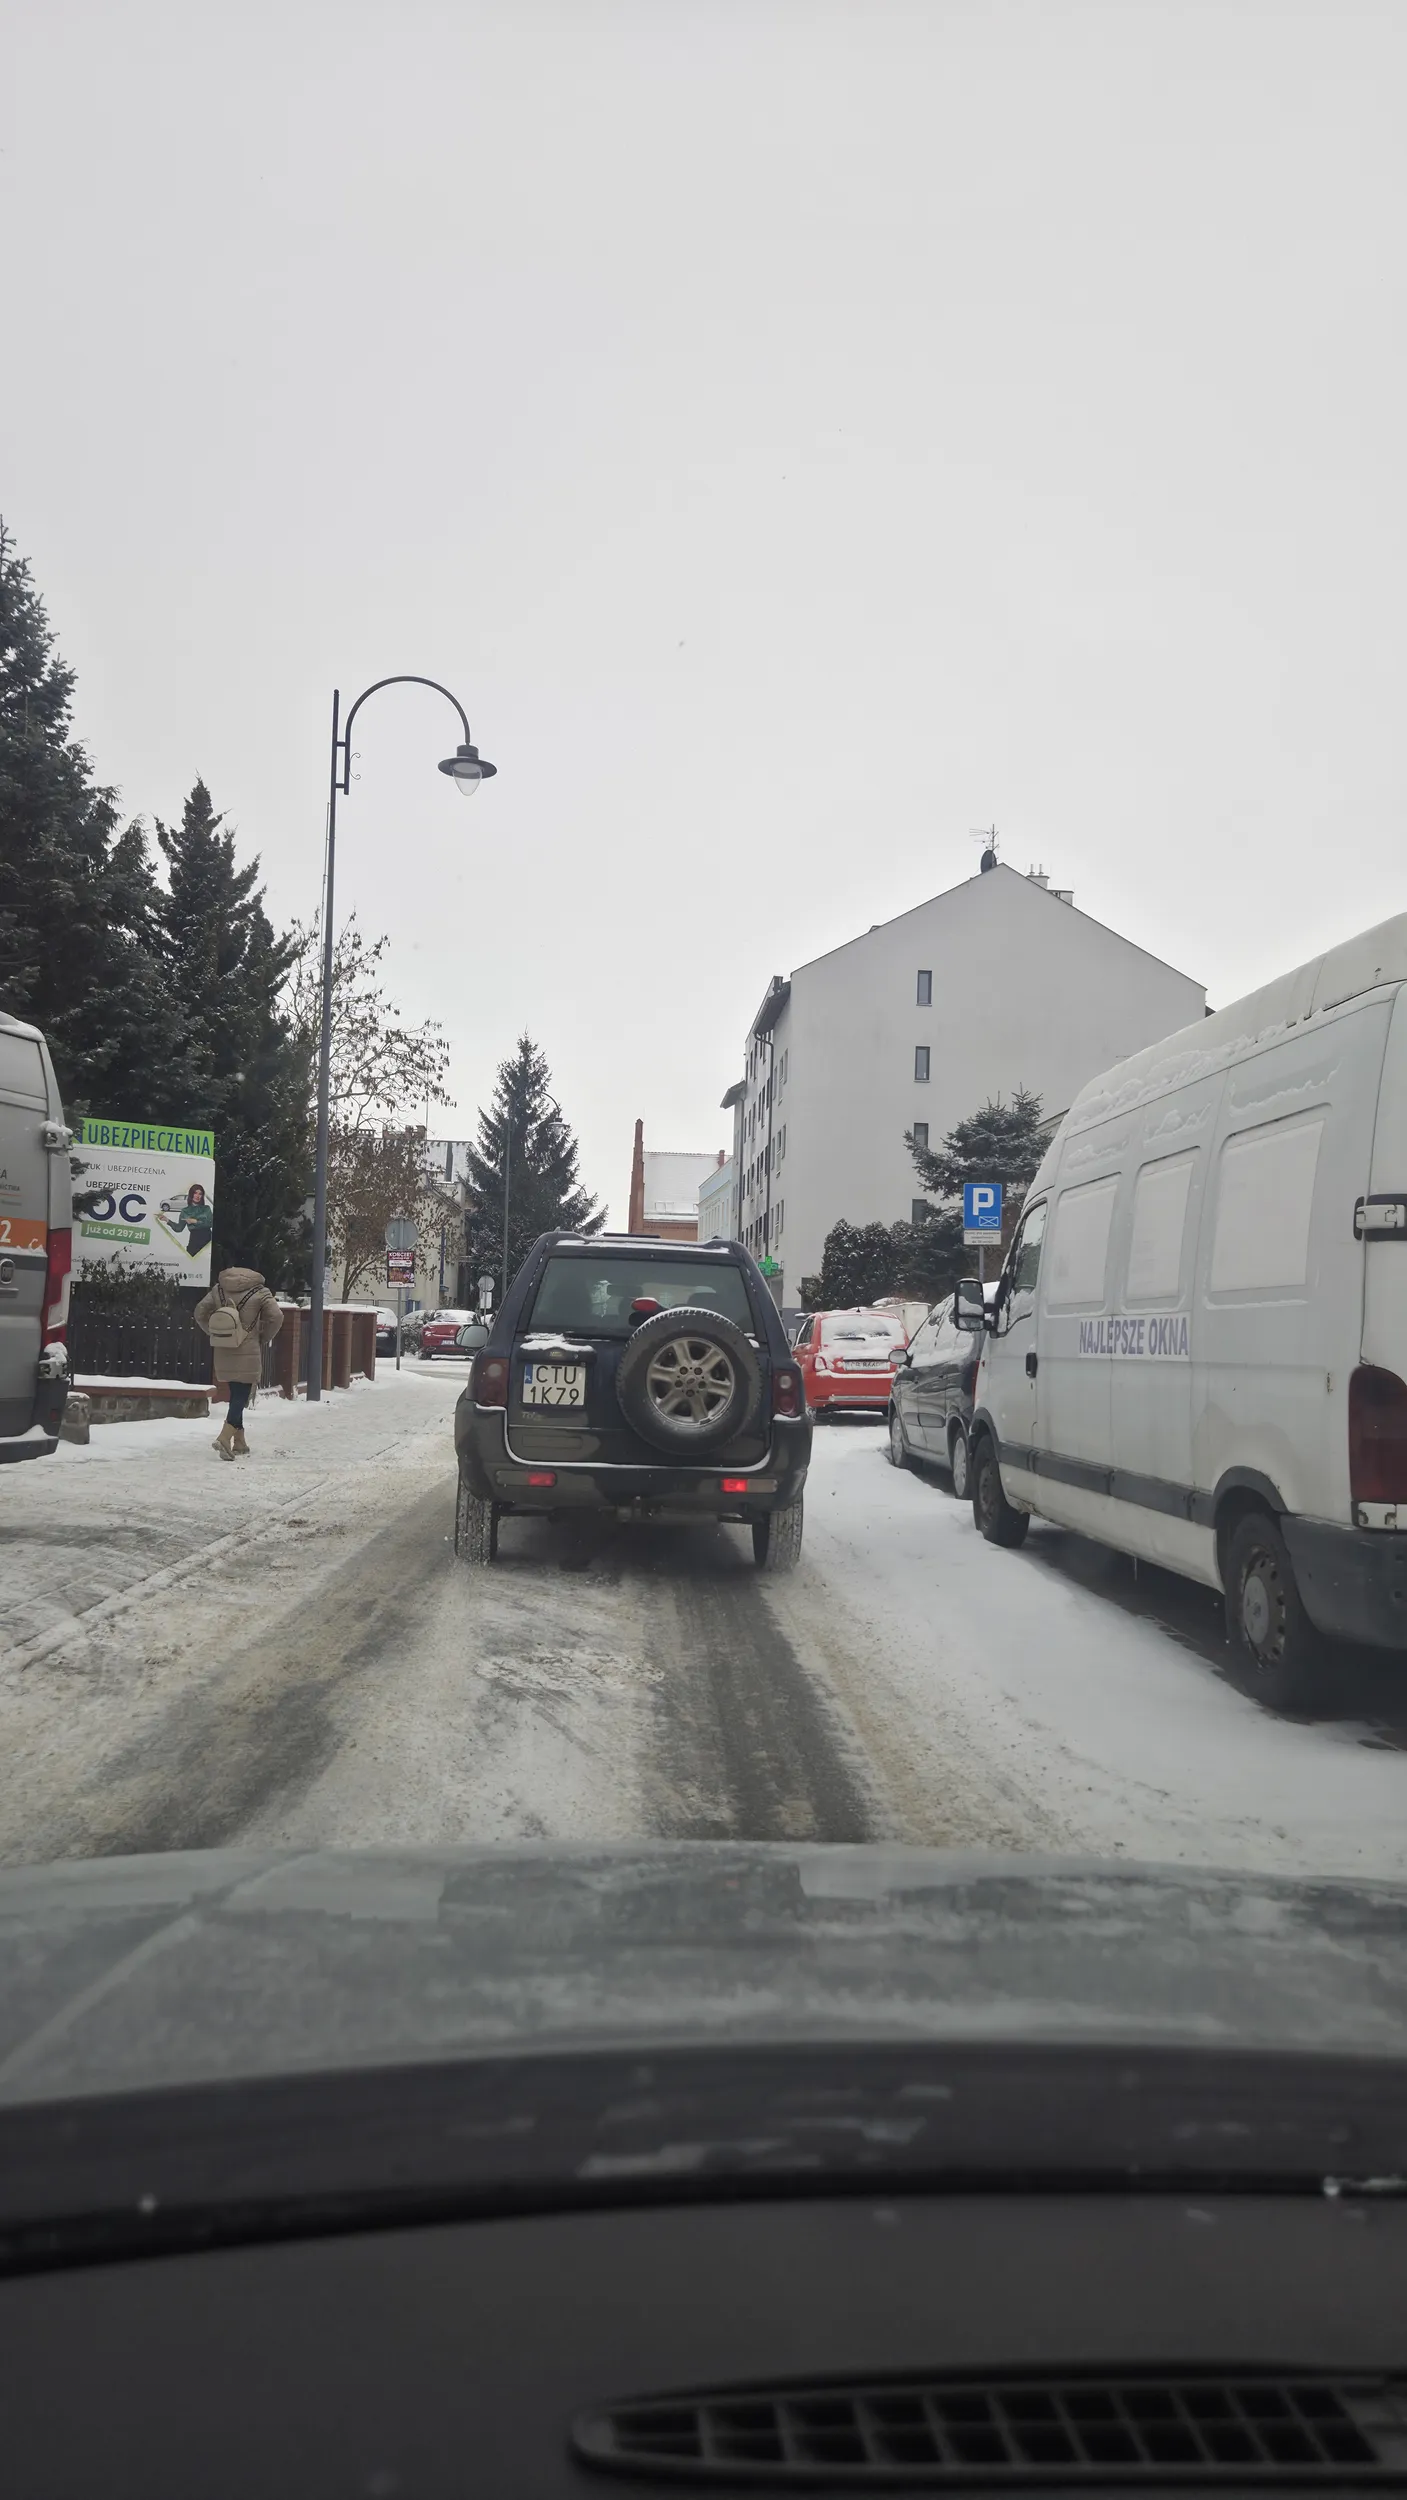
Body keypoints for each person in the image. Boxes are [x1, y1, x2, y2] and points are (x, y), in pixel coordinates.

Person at [193, 1261, 284, 1459]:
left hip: (224, 1349)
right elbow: (276, 1316)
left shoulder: (219, 1289)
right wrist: (263, 1337)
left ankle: (240, 1442)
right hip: (248, 1348)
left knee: (236, 1394)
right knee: (241, 1396)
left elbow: (200, 1312)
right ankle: (224, 1437)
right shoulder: (260, 1291)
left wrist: (215, 1333)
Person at [164, 1181, 213, 1261]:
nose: (197, 1196)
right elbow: (179, 1228)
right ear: (191, 1194)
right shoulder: (185, 1211)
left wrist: (195, 1221)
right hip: (194, 1240)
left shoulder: (206, 1208)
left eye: (200, 1194)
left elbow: (211, 1223)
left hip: (208, 1239)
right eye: (195, 1193)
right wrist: (167, 1220)